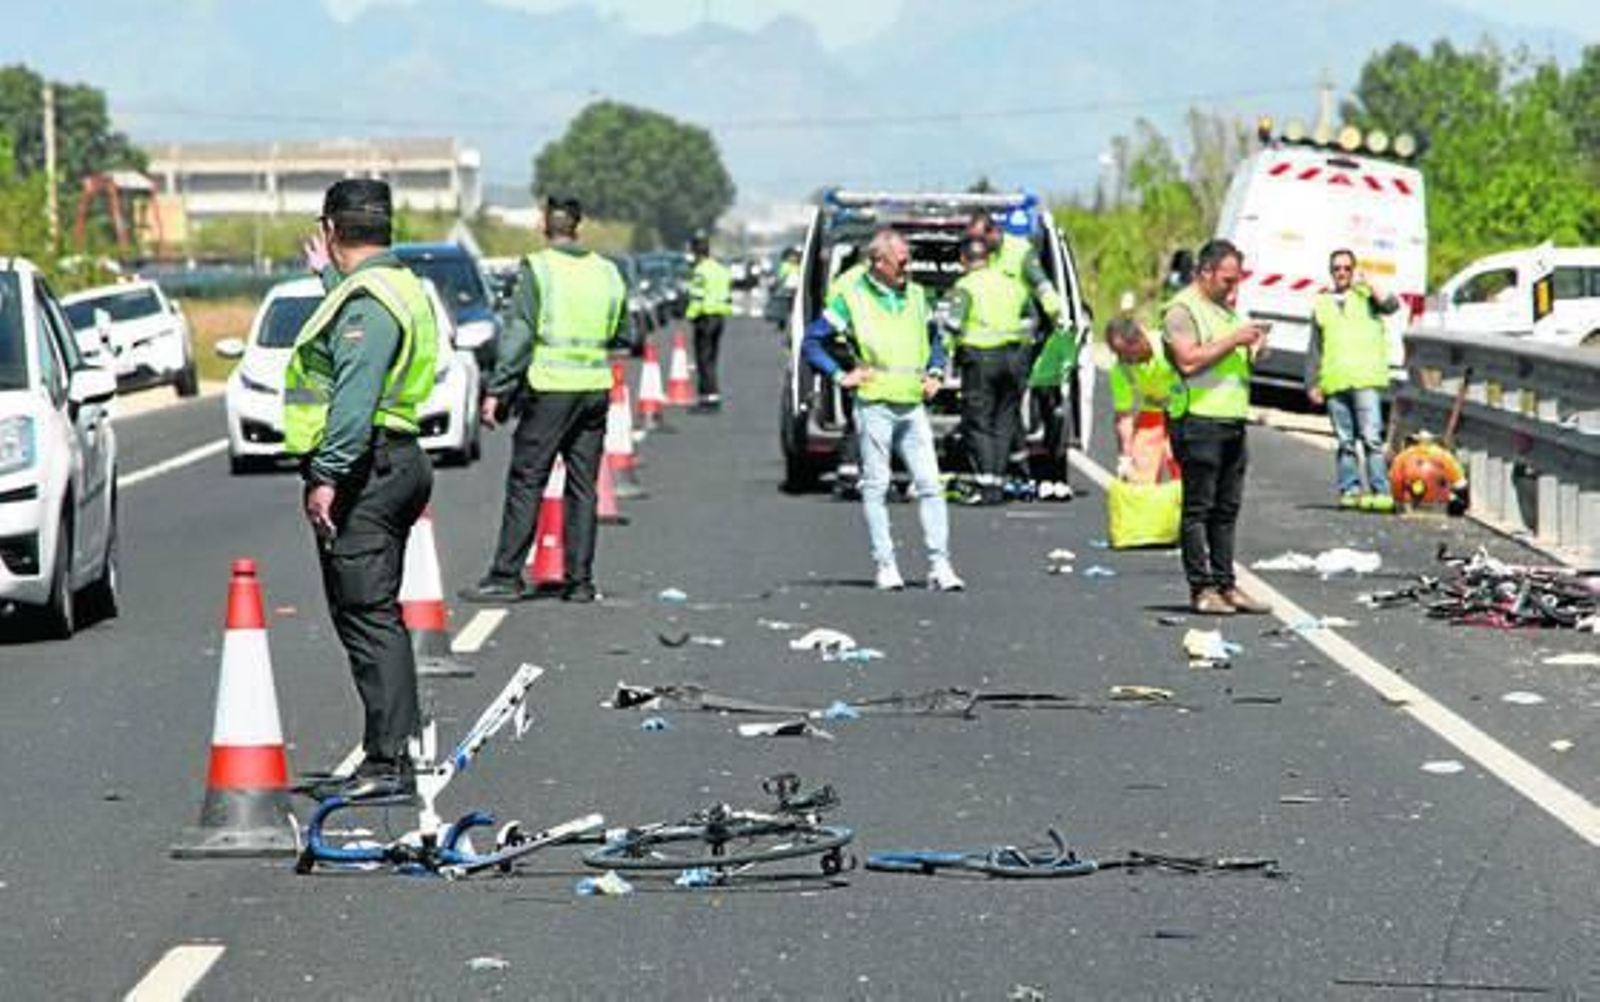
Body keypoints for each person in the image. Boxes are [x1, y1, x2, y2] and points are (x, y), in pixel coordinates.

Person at [286, 179, 436, 799]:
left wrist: (327, 474)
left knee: (370, 617)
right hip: (393, 461)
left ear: (330, 226)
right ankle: (389, 751)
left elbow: (354, 394)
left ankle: (387, 761)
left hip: (367, 467)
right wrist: (327, 277)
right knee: (371, 614)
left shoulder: (370, 299)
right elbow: (357, 331)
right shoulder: (390, 285)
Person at [463, 196, 626, 605]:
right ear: (578, 226)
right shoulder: (607, 272)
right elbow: (622, 331)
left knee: (527, 480)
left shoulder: (539, 269)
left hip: (551, 388)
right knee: (582, 486)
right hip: (593, 388)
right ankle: (580, 582)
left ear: (543, 225)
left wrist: (499, 390)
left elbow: (518, 335)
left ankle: (505, 575)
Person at [802, 228, 964, 592]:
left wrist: (936, 371)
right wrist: (840, 375)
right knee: (876, 486)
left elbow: (935, 340)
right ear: (878, 263)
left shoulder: (918, 296)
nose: (908, 268)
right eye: (901, 261)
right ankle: (886, 565)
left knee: (930, 485)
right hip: (875, 405)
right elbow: (812, 342)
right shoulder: (852, 300)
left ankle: (940, 565)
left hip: (912, 406)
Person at [1162, 238, 1271, 617]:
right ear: (1205, 272)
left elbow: (1230, 357)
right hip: (1197, 420)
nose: (1232, 287)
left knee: (1227, 509)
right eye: (1227, 280)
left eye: (1237, 280)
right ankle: (1201, 588)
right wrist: (1235, 339)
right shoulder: (1181, 310)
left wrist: (1253, 347)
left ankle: (1226, 584)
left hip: (1231, 420)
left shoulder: (1226, 311)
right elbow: (1189, 361)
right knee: (1198, 509)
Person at [1306, 248, 1400, 512]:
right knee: (1345, 442)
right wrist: (1312, 382)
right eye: (1337, 269)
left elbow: (1392, 306)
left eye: (1347, 268)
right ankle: (1350, 490)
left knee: (1371, 439)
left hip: (1365, 378)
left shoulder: (1366, 297)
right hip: (1335, 380)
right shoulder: (1322, 303)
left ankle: (1380, 491)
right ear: (1331, 272)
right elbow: (1315, 347)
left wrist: (1369, 281)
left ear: (1354, 270)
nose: (1342, 273)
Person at [945, 237, 1034, 505]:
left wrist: (948, 354)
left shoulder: (965, 285)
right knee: (1005, 419)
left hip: (981, 358)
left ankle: (988, 484)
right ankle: (998, 478)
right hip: (1014, 358)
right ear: (990, 258)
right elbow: (1031, 319)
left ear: (963, 260)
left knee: (979, 422)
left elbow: (953, 323)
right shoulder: (1013, 284)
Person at [1106, 315, 1184, 484]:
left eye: (1129, 351)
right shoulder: (1121, 369)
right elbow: (1124, 415)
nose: (1127, 359)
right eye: (1119, 354)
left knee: (1180, 462)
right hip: (1152, 415)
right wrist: (1125, 457)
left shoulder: (1169, 347)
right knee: (1140, 468)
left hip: (1185, 413)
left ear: (1142, 336)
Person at [686, 233, 734, 412]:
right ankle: (711, 395)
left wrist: (690, 314)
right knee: (712, 357)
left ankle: (708, 398)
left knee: (703, 359)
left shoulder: (700, 271)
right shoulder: (720, 269)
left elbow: (697, 297)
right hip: (719, 318)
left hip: (704, 318)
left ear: (695, 252)